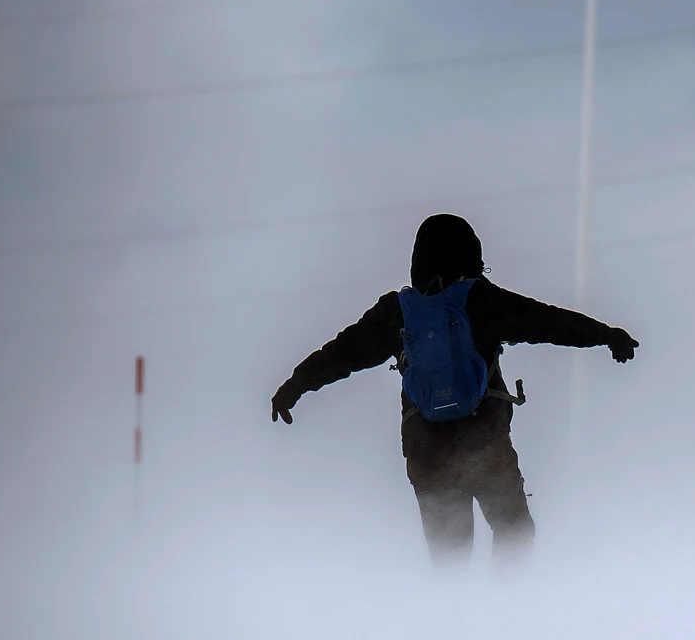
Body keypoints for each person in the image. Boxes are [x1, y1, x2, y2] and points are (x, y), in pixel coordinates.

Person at [270, 213, 638, 565]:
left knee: (450, 555)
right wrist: (607, 336)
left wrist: (293, 387)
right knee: (514, 531)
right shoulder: (479, 300)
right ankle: (509, 614)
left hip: (426, 450)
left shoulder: (398, 311)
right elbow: (549, 322)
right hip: (482, 441)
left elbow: (341, 354)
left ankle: (452, 624)